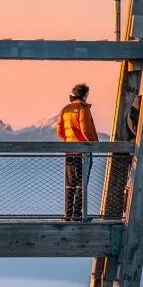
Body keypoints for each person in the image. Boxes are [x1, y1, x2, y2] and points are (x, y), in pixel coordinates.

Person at [56, 83, 99, 220]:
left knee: (70, 183)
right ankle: (77, 214)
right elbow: (86, 129)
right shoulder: (83, 108)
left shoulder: (65, 109)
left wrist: (68, 139)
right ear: (85, 94)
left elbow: (59, 130)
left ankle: (67, 214)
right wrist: (94, 144)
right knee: (82, 182)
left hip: (69, 150)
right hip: (83, 151)